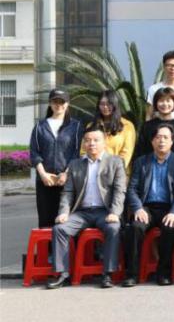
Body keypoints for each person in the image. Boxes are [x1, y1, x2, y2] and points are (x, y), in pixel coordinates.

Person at [47, 125, 127, 289]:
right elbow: (68, 191)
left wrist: (115, 212)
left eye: (96, 140)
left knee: (113, 228)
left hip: (105, 212)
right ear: (83, 144)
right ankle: (62, 274)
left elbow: (120, 191)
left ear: (104, 142)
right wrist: (64, 212)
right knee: (59, 229)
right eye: (88, 140)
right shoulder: (75, 164)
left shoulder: (116, 162)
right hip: (82, 212)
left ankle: (107, 274)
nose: (92, 144)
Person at [122, 123, 174, 287]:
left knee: (170, 227)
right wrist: (138, 208)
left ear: (172, 141)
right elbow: (132, 189)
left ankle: (164, 273)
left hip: (169, 208)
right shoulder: (141, 162)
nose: (161, 141)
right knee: (135, 227)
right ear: (152, 141)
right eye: (158, 137)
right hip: (146, 207)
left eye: (166, 137)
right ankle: (132, 274)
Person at [29, 89, 83, 227]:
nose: (58, 105)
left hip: (68, 181)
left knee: (67, 221)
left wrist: (66, 173)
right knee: (45, 220)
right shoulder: (40, 126)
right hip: (44, 181)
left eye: (62, 102)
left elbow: (77, 153)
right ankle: (47, 243)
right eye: (55, 101)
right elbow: (34, 152)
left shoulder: (76, 126)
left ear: (67, 104)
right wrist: (43, 174)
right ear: (50, 103)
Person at [83, 90, 136, 171]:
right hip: (93, 172)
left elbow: (126, 155)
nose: (105, 107)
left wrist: (111, 171)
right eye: (102, 104)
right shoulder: (91, 126)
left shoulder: (127, 126)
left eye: (109, 104)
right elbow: (83, 151)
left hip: (117, 173)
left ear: (115, 105)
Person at [135, 87, 174, 159]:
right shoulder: (147, 126)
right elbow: (140, 151)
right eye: (161, 101)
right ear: (155, 103)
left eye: (168, 101)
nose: (165, 104)